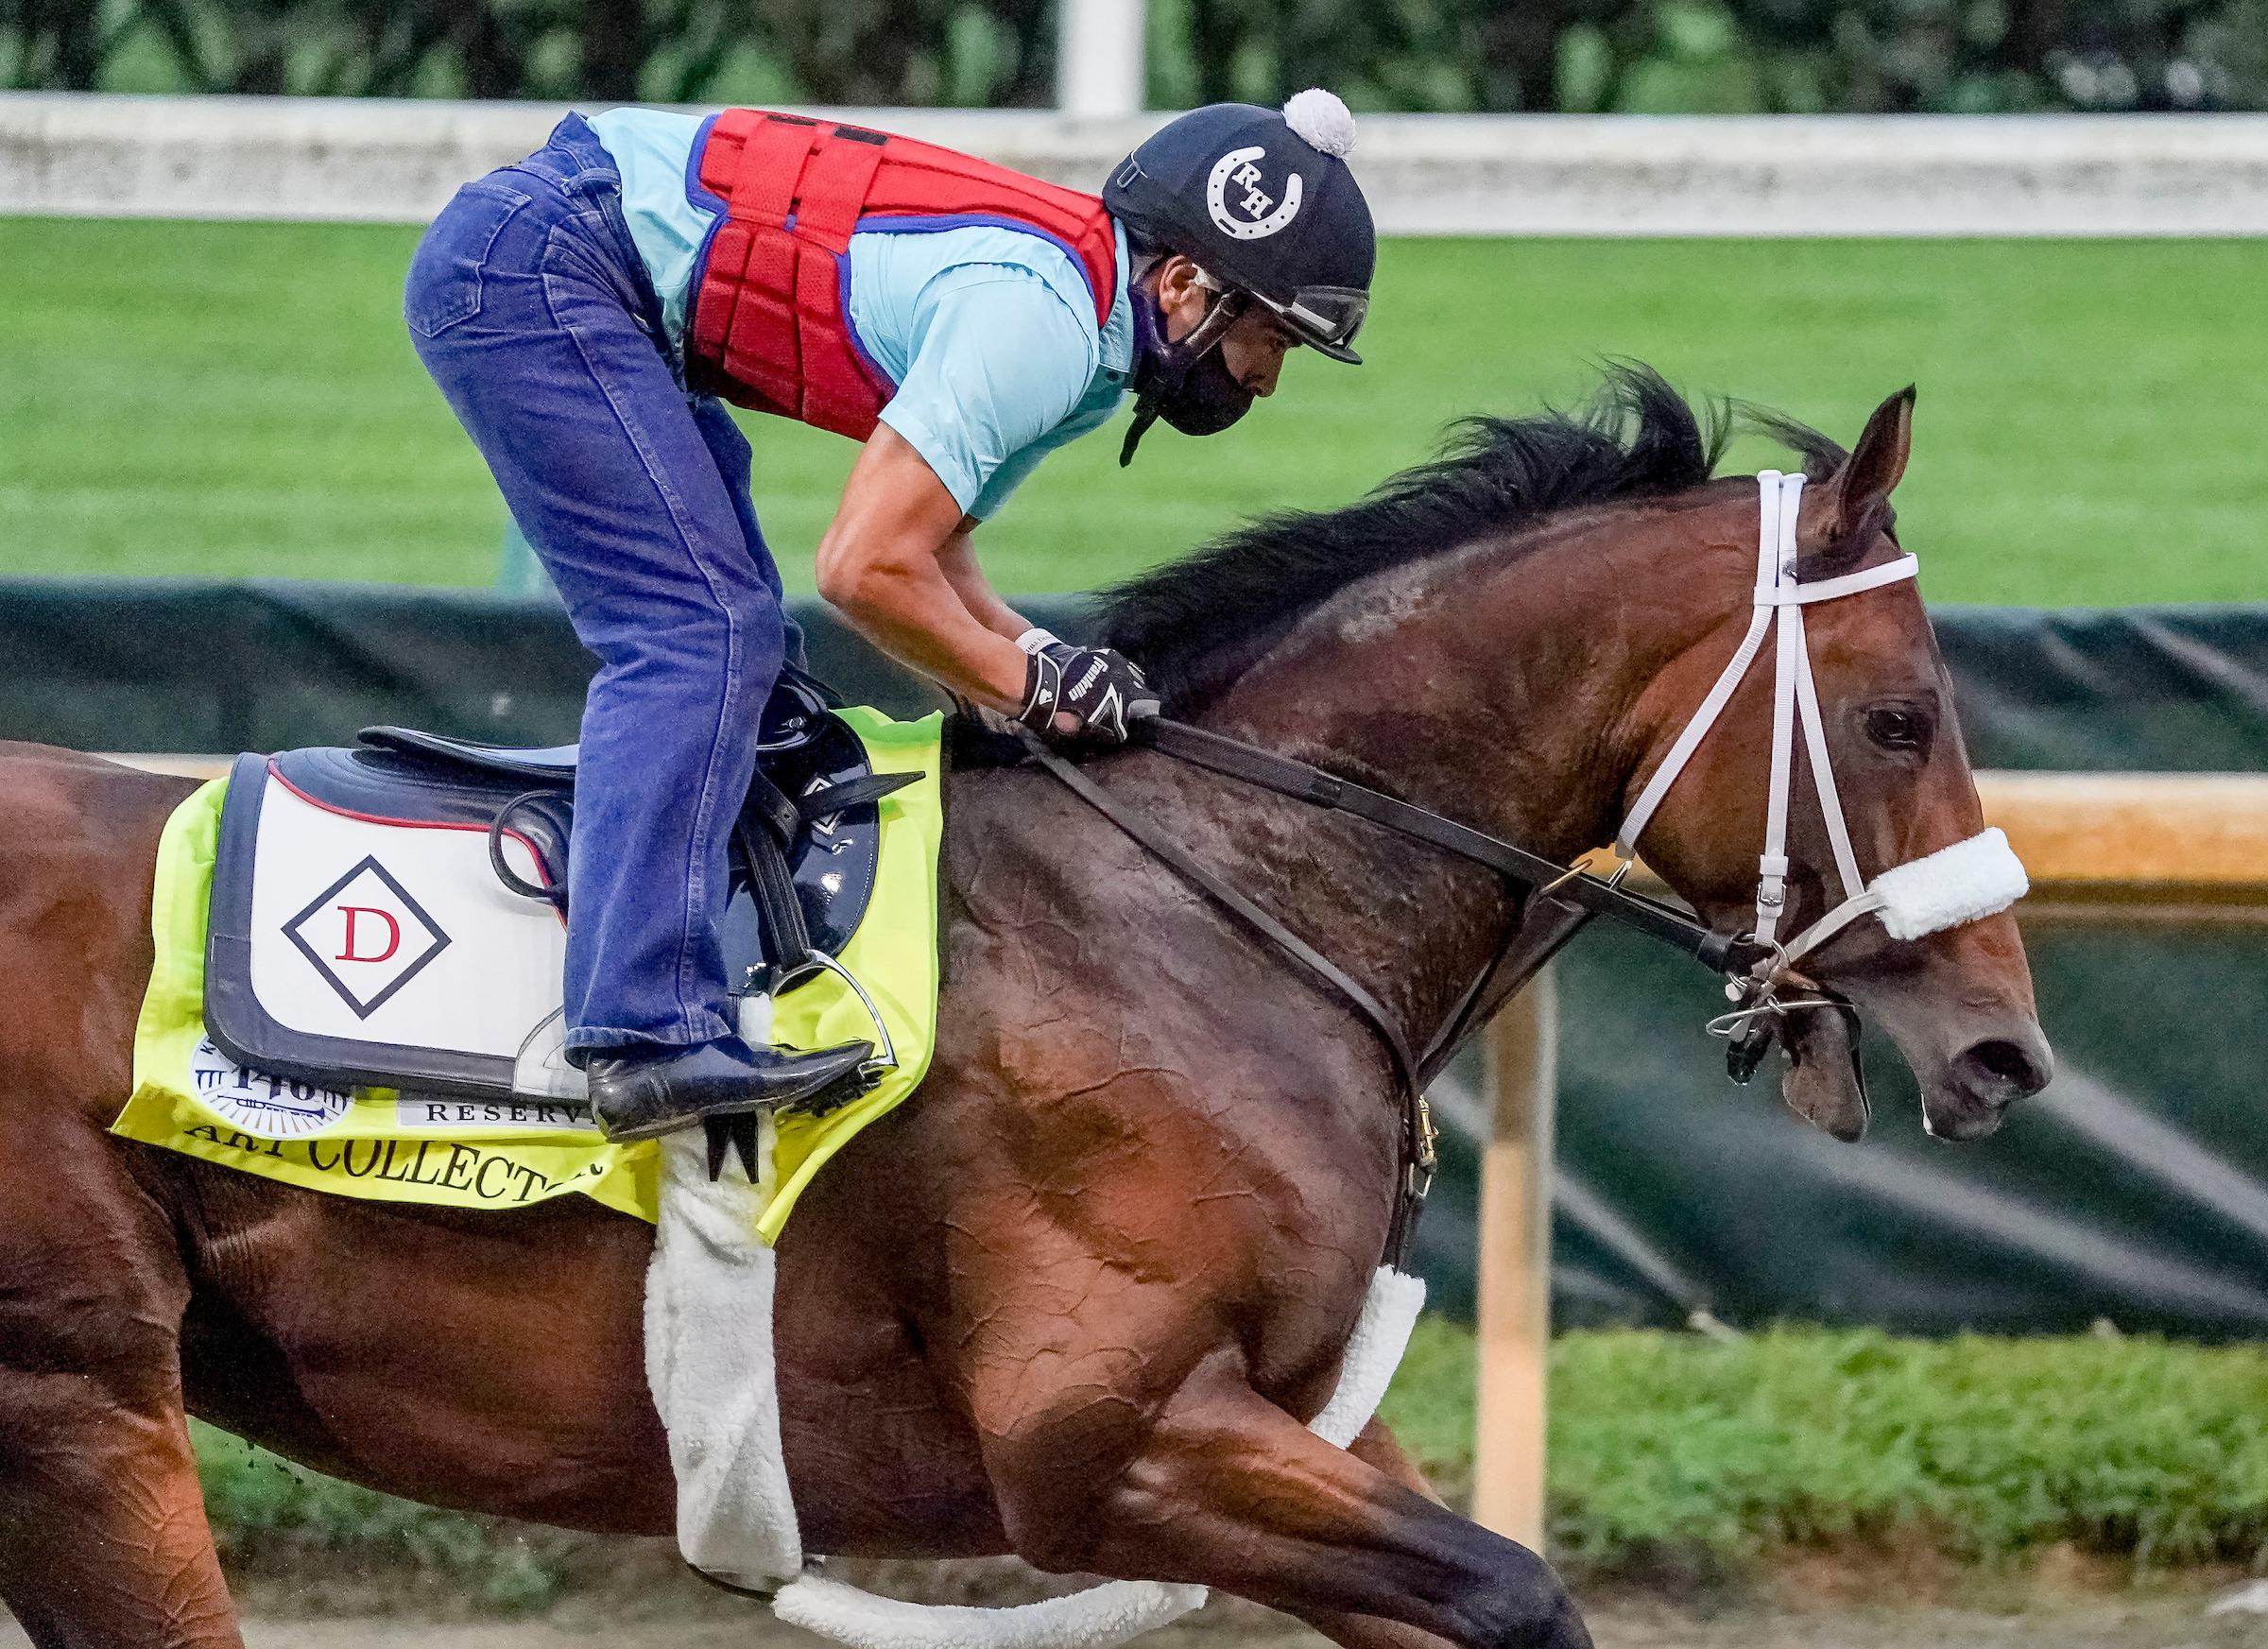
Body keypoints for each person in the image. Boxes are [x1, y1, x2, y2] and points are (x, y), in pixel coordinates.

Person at [403, 90, 1377, 1144]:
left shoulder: (1087, 333)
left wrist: (1042, 655)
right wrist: (1030, 689)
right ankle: (640, 1035)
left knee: (743, 646)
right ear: (1184, 284)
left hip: (577, 262)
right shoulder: (1043, 327)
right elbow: (863, 567)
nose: (1266, 382)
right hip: (541, 264)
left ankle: (702, 956)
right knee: (700, 638)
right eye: (1272, 338)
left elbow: (938, 558)